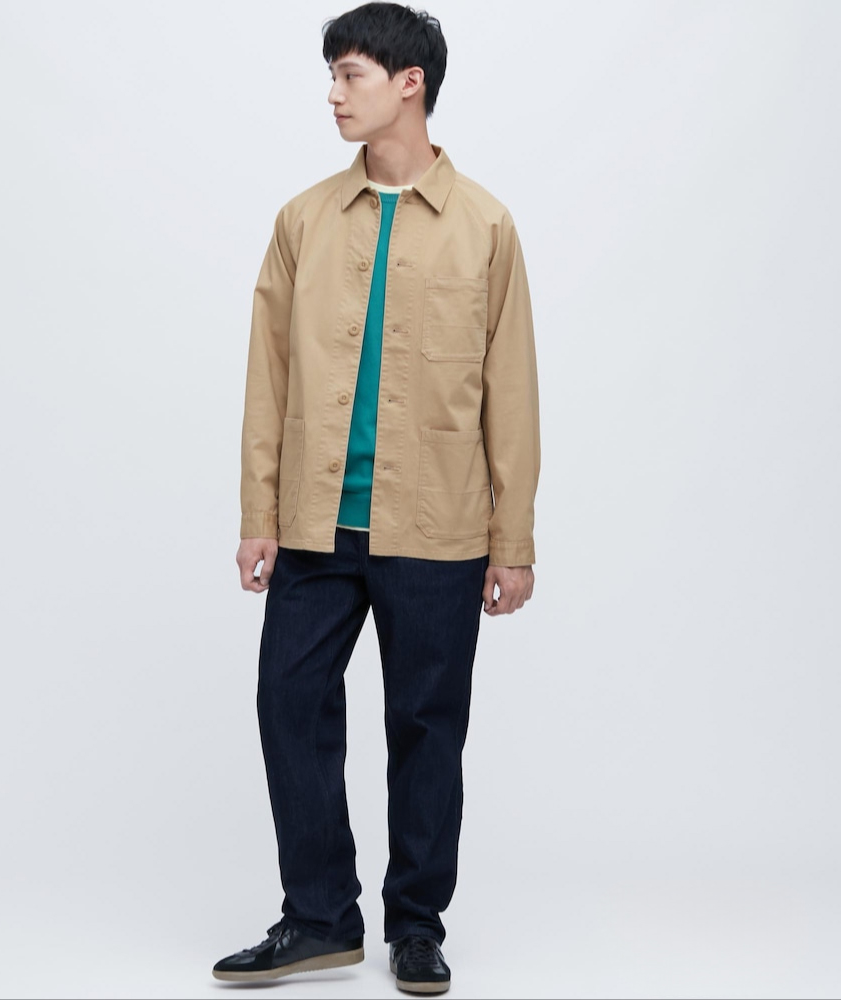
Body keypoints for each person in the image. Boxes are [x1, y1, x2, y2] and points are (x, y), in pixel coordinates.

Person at [212, 2, 540, 993]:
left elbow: (512, 390)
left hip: (439, 526)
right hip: (315, 524)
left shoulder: (485, 226)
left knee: (426, 727)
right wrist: (258, 513)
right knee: (288, 702)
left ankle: (416, 926)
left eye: (349, 74)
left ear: (410, 82)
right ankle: (319, 917)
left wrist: (512, 539)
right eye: (331, 75)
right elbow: (267, 376)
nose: (332, 94)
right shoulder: (303, 221)